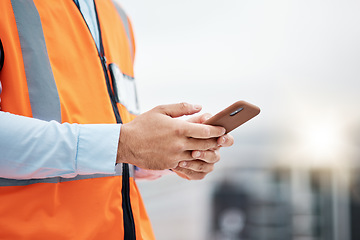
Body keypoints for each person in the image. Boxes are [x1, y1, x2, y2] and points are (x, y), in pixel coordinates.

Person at [0, 0, 234, 239]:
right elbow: (114, 143)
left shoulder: (116, 16)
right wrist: (122, 144)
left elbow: (111, 141)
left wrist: (172, 152)